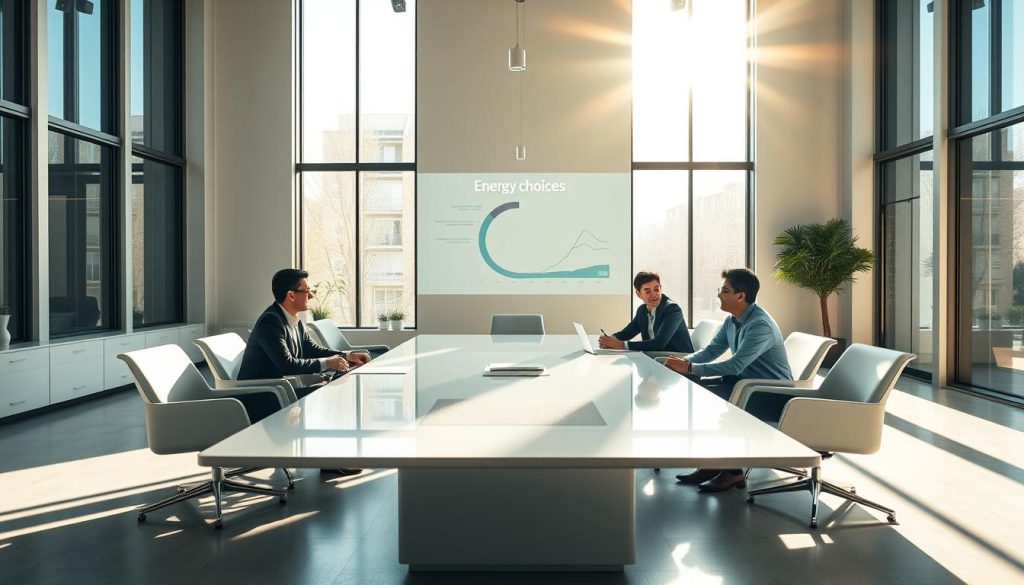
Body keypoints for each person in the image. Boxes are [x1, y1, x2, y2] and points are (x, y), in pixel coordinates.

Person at [664, 268, 792, 493]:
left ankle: (731, 473)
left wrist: (690, 368)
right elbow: (711, 350)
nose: (719, 295)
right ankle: (712, 464)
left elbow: (736, 364)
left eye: (724, 291)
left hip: (770, 394)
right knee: (696, 393)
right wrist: (683, 362)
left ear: (740, 296)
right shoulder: (732, 320)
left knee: (708, 403)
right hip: (745, 385)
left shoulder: (759, 325)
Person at [239, 268, 370, 475]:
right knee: (327, 394)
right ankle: (329, 461)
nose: (311, 295)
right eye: (306, 291)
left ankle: (332, 457)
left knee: (332, 388)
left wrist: (346, 356)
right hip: (263, 398)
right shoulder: (270, 322)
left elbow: (311, 349)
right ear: (291, 295)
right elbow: (287, 364)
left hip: (280, 391)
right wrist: (329, 363)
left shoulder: (293, 319)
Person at [598, 271, 694, 354]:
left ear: (661, 288)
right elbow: (627, 333)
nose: (654, 294)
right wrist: (610, 339)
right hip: (657, 357)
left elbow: (659, 344)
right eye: (647, 291)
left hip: (679, 361)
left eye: (656, 289)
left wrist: (621, 345)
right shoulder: (642, 311)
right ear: (639, 294)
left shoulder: (672, 309)